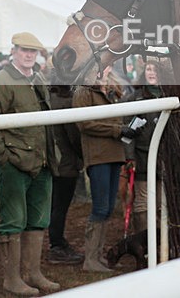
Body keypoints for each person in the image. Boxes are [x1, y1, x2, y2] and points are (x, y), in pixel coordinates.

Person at [0, 32, 59, 295]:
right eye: (24, 50)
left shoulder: (37, 79)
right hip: (16, 162)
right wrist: (5, 156)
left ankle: (32, 273)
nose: (29, 55)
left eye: (33, 51)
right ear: (13, 51)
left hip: (41, 160)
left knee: (38, 219)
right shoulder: (1, 83)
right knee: (13, 220)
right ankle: (12, 279)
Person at [73, 65, 126, 272]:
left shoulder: (114, 91)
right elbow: (85, 124)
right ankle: (90, 259)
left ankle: (97, 255)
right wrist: (116, 130)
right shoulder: (84, 92)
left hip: (115, 154)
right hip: (97, 156)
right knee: (100, 207)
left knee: (108, 208)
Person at [120, 59, 173, 234]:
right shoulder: (134, 98)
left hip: (166, 159)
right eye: (148, 69)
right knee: (143, 202)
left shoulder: (171, 97)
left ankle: (159, 241)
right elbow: (128, 133)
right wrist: (130, 157)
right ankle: (143, 241)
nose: (151, 72)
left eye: (155, 69)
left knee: (161, 202)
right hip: (142, 158)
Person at [45, 79, 85, 265]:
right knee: (60, 207)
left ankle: (56, 242)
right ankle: (57, 245)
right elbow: (74, 137)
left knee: (55, 206)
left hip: (53, 159)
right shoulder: (66, 102)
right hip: (66, 162)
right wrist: (82, 157)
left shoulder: (48, 98)